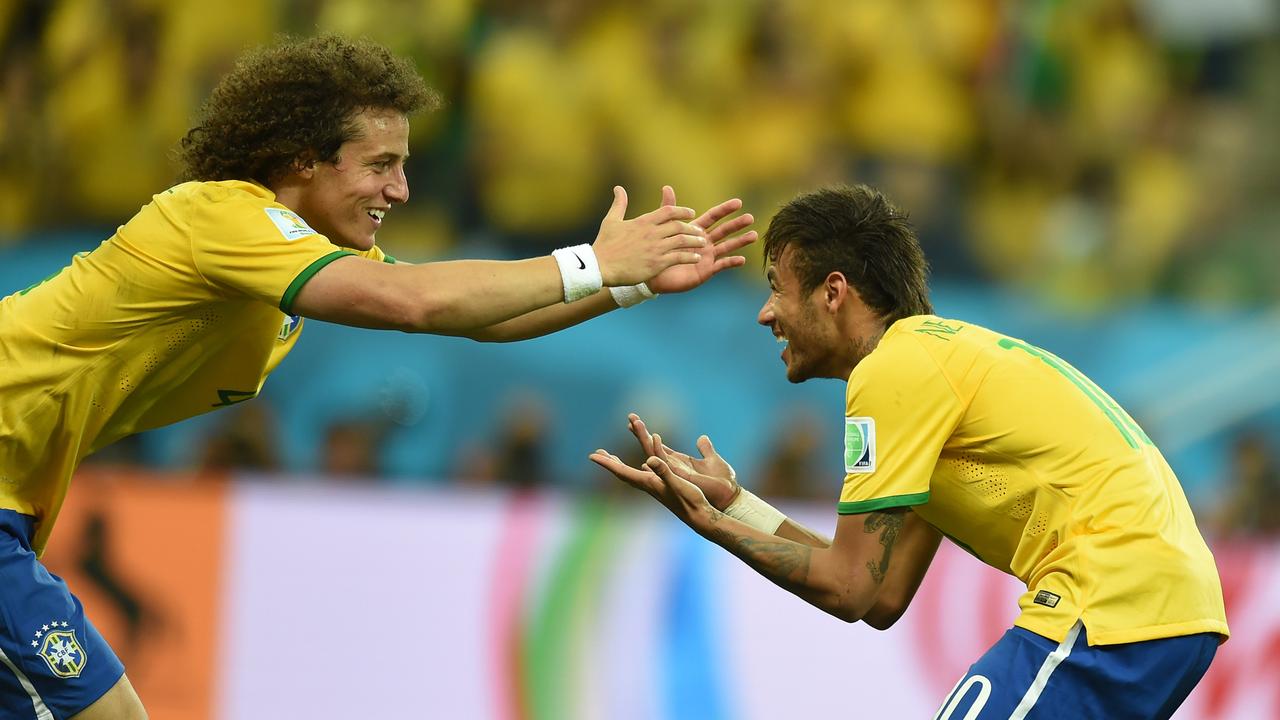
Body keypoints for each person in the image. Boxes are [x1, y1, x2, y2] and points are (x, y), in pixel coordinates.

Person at [0, 35, 756, 719]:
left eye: (404, 166)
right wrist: (594, 263)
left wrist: (627, 285)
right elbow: (416, 303)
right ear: (303, 159)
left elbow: (476, 316)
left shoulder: (296, 253)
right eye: (380, 165)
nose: (399, 191)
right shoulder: (222, 218)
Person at [591, 184, 1229, 719]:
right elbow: (880, 592)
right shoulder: (935, 367)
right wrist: (738, 506)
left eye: (777, 287)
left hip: (1110, 601)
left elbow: (846, 588)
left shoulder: (893, 371)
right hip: (1170, 611)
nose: (765, 314)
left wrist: (713, 525)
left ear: (833, 292)